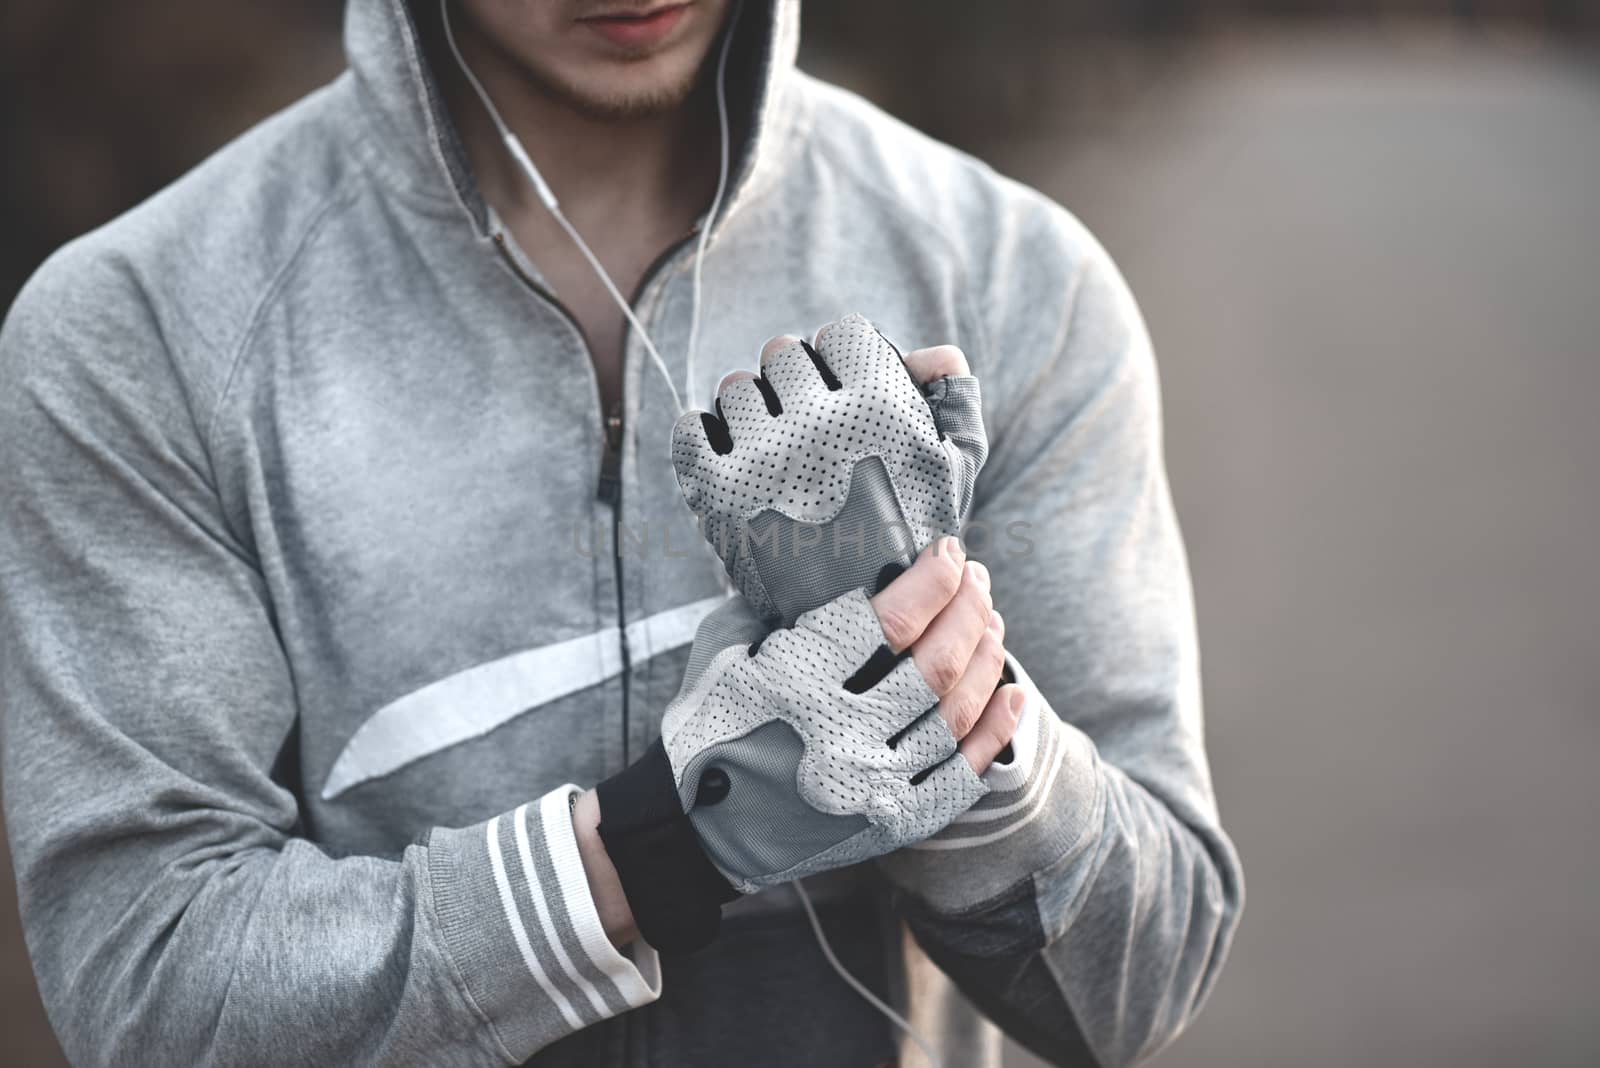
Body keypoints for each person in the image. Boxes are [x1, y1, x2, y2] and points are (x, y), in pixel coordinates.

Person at [0, 1, 1242, 1065]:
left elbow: (1130, 990)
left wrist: (936, 697)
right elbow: (148, 992)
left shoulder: (1014, 275)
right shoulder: (138, 334)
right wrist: (662, 847)